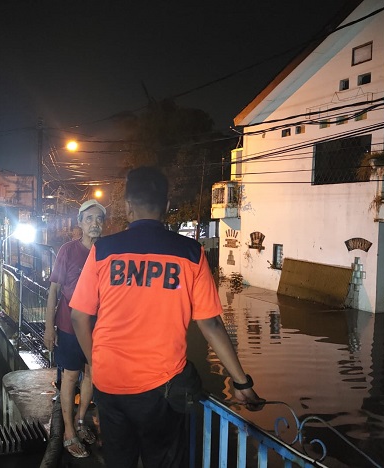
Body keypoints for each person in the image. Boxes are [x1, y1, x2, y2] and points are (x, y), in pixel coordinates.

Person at [70, 167, 264, 468]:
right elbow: (210, 324)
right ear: (166, 206)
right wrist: (241, 382)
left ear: (127, 206)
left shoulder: (103, 250)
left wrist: (95, 365)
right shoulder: (190, 253)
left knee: (118, 460)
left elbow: (79, 316)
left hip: (109, 383)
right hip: (161, 389)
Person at [43, 199, 105, 458]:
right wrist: (49, 327)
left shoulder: (107, 251)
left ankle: (81, 420)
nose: (94, 223)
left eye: (99, 219)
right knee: (70, 377)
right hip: (68, 327)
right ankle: (68, 431)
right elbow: (54, 290)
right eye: (89, 218)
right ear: (79, 223)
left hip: (98, 328)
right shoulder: (68, 251)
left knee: (92, 375)